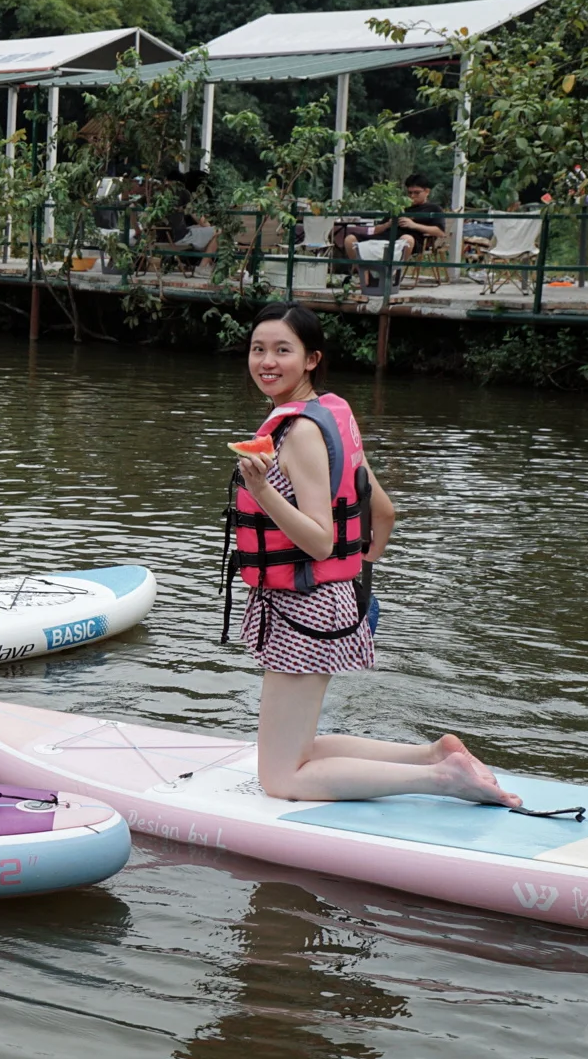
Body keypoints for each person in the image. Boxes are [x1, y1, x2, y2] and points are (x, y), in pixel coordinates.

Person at [223, 302, 520, 807]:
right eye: (258, 349)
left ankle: (441, 781)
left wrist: (264, 490)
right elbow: (383, 512)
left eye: (282, 350)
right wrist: (352, 582)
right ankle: (432, 756)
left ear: (312, 358)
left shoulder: (298, 433)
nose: (267, 361)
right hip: (325, 598)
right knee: (299, 749)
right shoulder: (330, 414)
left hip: (302, 606)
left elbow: (320, 540)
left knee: (281, 778)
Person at [340, 173, 446, 286]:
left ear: (427, 192)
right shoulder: (399, 206)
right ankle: (364, 275)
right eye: (410, 192)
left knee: (407, 239)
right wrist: (388, 224)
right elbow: (375, 230)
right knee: (350, 239)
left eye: (416, 193)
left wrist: (413, 225)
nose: (412, 196)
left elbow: (440, 232)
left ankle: (390, 274)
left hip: (410, 240)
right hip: (385, 236)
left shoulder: (434, 209)